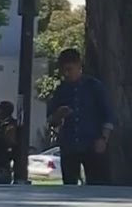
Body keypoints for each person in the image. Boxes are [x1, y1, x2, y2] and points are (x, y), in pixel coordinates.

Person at [47, 49, 115, 185]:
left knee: (97, 183)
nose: (66, 74)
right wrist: (58, 114)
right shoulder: (61, 90)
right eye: (63, 70)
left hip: (92, 143)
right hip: (69, 145)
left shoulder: (94, 87)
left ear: (79, 66)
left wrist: (104, 138)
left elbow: (107, 114)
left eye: (69, 69)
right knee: (69, 183)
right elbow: (51, 120)